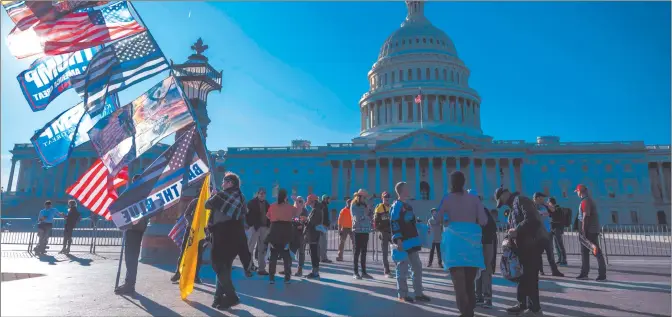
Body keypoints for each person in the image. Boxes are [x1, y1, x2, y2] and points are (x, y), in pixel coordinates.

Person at [437, 172, 488, 317]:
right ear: (464, 182)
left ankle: (465, 311)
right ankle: (469, 310)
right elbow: (484, 220)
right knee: (469, 282)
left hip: (454, 242)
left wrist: (446, 219)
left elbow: (437, 218)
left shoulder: (447, 198)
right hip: (471, 241)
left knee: (459, 283)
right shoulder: (474, 199)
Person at [494, 186, 546, 316]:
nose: (503, 203)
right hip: (522, 247)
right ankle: (522, 304)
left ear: (505, 193)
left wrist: (516, 229)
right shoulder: (513, 207)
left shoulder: (521, 200)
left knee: (530, 277)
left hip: (531, 246)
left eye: (502, 200)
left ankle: (535, 309)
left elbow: (533, 220)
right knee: (522, 277)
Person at [205, 172, 252, 309]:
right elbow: (244, 213)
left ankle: (232, 297)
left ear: (231, 183)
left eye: (225, 182)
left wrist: (214, 195)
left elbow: (207, 204)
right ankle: (218, 299)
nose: (222, 184)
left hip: (221, 235)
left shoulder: (220, 196)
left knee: (218, 266)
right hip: (235, 236)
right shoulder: (241, 197)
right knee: (225, 268)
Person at [391, 182, 430, 303]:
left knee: (417, 267)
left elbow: (411, 221)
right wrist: (398, 239)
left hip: (412, 241)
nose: (409, 190)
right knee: (402, 269)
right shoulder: (396, 206)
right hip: (403, 242)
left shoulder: (408, 206)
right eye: (407, 188)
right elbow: (394, 222)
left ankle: (418, 293)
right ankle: (402, 294)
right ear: (402, 191)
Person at [115, 175, 150, 295]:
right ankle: (129, 283)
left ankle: (129, 285)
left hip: (133, 228)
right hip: (138, 228)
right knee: (131, 258)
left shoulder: (137, 196)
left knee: (130, 258)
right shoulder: (145, 194)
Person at [265, 188, 301, 284]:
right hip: (286, 231)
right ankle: (287, 277)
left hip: (274, 230)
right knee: (286, 256)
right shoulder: (289, 207)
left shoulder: (272, 206)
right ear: (285, 197)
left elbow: (268, 216)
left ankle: (271, 277)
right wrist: (296, 201)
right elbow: (298, 212)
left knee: (273, 255)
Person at [469, 189, 497, 309]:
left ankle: (487, 298)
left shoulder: (482, 210)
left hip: (485, 243)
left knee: (485, 270)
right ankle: (478, 296)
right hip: (477, 244)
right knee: (477, 270)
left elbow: (490, 227)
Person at [170, 197, 207, 284]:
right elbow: (187, 214)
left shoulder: (211, 202)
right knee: (184, 252)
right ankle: (178, 273)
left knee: (199, 254)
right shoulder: (195, 201)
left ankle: (195, 276)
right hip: (190, 231)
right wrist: (192, 224)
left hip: (202, 232)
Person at [574, 184, 607, 281]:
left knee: (596, 252)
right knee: (586, 252)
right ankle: (585, 273)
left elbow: (585, 216)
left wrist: (583, 231)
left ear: (580, 191)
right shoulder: (587, 200)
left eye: (577, 191)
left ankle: (601, 274)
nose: (577, 193)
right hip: (591, 230)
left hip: (589, 231)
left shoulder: (585, 201)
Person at [533, 192, 564, 277]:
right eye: (542, 198)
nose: (544, 199)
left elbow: (553, 210)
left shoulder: (544, 206)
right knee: (538, 253)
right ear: (537, 198)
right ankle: (540, 270)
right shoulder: (532, 206)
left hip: (548, 232)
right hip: (539, 234)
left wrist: (546, 204)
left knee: (550, 253)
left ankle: (554, 271)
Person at [246, 188, 270, 275]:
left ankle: (261, 269)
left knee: (262, 249)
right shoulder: (251, 203)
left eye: (264, 193)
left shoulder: (267, 203)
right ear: (257, 194)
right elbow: (246, 214)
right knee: (250, 248)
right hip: (255, 227)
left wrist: (268, 226)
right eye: (261, 193)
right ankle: (248, 268)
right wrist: (250, 225)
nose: (262, 195)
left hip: (264, 228)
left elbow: (269, 215)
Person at [350, 189, 373, 279]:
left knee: (364, 252)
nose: (365, 199)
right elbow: (356, 218)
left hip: (365, 230)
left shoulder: (365, 205)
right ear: (359, 197)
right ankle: (355, 272)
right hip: (357, 230)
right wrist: (365, 214)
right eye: (364, 197)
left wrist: (370, 212)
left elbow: (370, 216)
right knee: (357, 252)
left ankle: (364, 272)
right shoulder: (354, 205)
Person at [303, 194, 323, 279]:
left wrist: (305, 221)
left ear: (314, 201)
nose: (309, 205)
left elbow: (312, 223)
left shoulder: (316, 210)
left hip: (313, 235)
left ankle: (315, 272)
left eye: (310, 203)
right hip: (313, 234)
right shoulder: (316, 209)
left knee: (314, 253)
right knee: (313, 253)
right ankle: (314, 271)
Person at [374, 192, 393, 277]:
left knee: (396, 251)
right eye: (385, 198)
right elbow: (375, 221)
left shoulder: (392, 207)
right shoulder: (379, 208)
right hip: (384, 232)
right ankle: (387, 271)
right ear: (382, 198)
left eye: (388, 198)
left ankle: (400, 269)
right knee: (385, 253)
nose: (387, 199)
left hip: (392, 232)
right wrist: (379, 229)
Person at [548, 197, 567, 265]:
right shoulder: (554, 209)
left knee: (559, 244)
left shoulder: (558, 209)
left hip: (557, 228)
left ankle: (564, 260)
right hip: (554, 228)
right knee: (556, 245)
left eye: (549, 203)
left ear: (551, 203)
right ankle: (560, 259)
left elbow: (554, 214)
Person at [319, 195, 333, 263]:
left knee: (323, 242)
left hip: (323, 226)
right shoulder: (322, 206)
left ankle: (322, 257)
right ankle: (323, 258)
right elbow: (321, 217)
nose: (329, 200)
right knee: (323, 243)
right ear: (324, 199)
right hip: (322, 226)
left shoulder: (324, 206)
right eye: (328, 199)